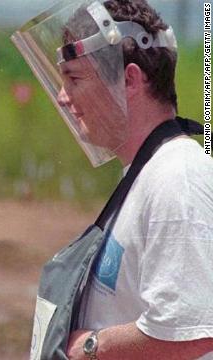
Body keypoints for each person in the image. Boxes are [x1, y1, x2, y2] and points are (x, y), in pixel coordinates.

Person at [12, 0, 213, 359]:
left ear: (130, 80)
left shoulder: (176, 177)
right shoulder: (149, 172)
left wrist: (88, 346)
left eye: (73, 78)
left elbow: (191, 331)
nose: (62, 97)